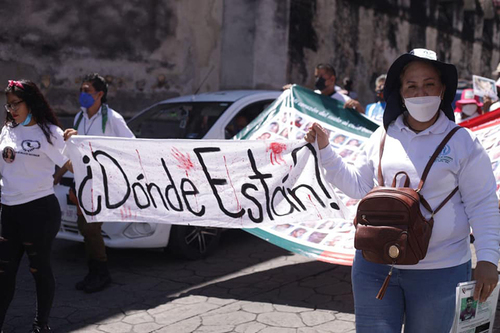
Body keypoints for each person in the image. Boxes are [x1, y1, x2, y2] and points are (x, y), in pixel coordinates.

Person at [305, 48, 500, 332]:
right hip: (374, 265)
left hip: (441, 272)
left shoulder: (463, 143)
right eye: (412, 85)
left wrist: (487, 260)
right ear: (400, 91)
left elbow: (482, 204)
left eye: (429, 84)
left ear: (443, 89)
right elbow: (357, 185)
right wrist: (325, 149)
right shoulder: (383, 135)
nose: (421, 92)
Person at [0, 80, 73, 333]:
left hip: (39, 212)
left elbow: (76, 164)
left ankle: (41, 325)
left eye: (16, 104)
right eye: (8, 106)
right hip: (8, 212)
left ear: (31, 102)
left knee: (38, 270)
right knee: (3, 275)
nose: (12, 110)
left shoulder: (50, 132)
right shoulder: (7, 130)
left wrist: (75, 144)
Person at [57, 73, 135, 294]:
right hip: (83, 181)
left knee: (91, 228)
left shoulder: (112, 118)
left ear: (100, 94)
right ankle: (94, 271)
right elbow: (75, 152)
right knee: (84, 227)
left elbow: (131, 146)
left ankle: (101, 273)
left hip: (102, 182)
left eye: (87, 91)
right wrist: (62, 174)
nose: (83, 95)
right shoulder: (80, 118)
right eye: (81, 90)